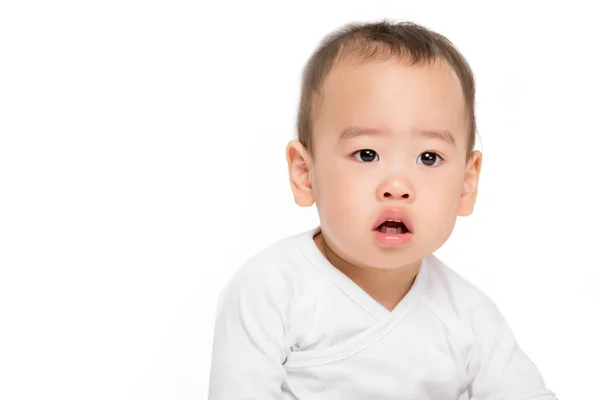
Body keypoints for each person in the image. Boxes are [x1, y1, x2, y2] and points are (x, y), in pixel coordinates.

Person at [207, 20, 558, 399]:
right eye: (367, 154)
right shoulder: (271, 290)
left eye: (428, 157)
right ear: (305, 174)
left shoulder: (471, 317)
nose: (397, 186)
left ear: (466, 184)